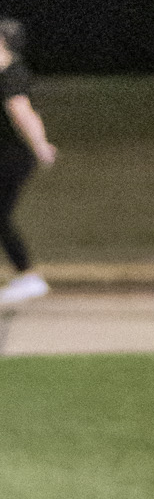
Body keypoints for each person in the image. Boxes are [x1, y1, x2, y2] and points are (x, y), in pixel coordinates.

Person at [0, 20, 56, 304]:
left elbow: (22, 111)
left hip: (12, 157)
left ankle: (28, 277)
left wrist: (40, 146)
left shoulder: (12, 74)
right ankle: (27, 276)